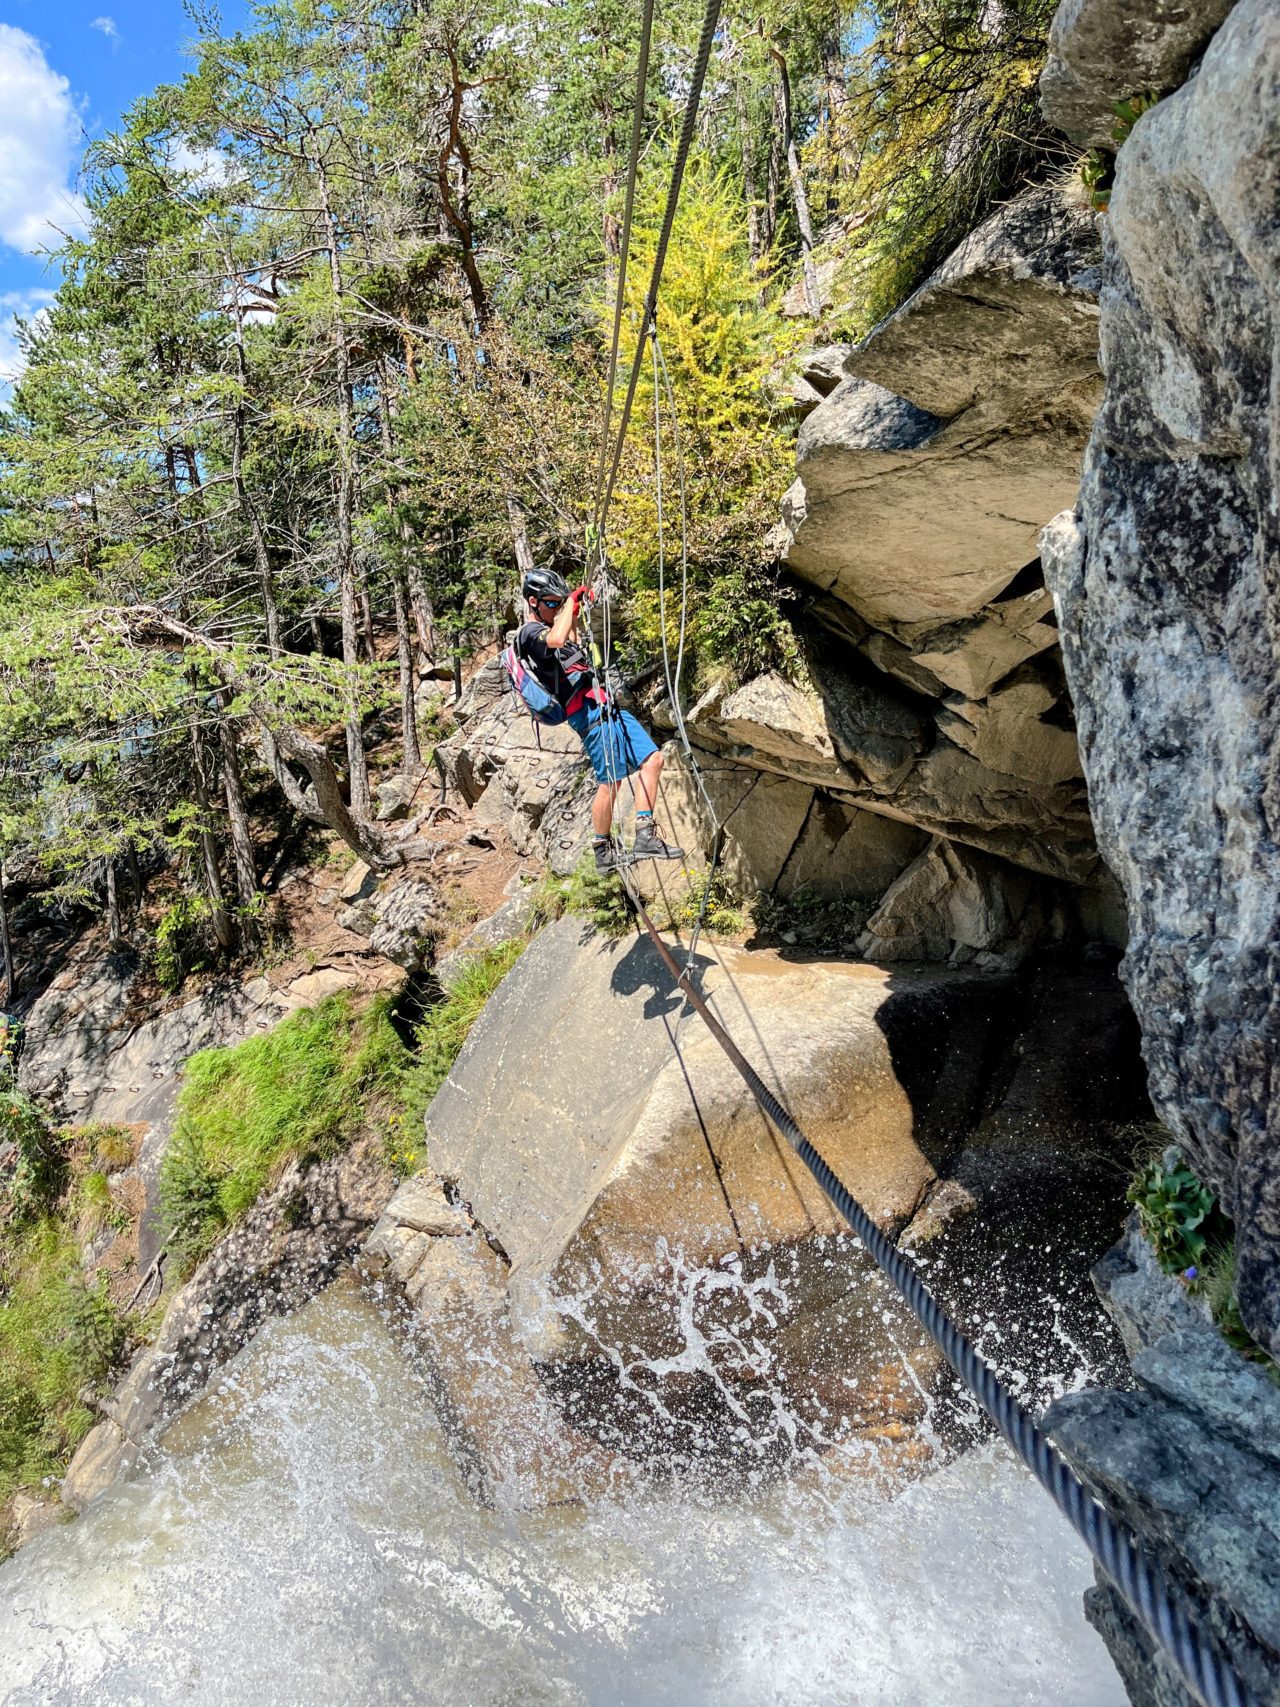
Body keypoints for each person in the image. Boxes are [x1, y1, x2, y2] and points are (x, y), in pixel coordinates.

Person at [516, 567, 685, 874]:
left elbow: (572, 643)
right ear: (532, 603)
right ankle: (601, 850)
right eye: (550, 603)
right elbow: (555, 638)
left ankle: (645, 835)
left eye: (558, 603)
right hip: (587, 714)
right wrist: (567, 606)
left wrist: (575, 607)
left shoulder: (560, 626)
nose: (557, 608)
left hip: (607, 706)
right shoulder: (529, 634)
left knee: (653, 760)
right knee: (611, 782)